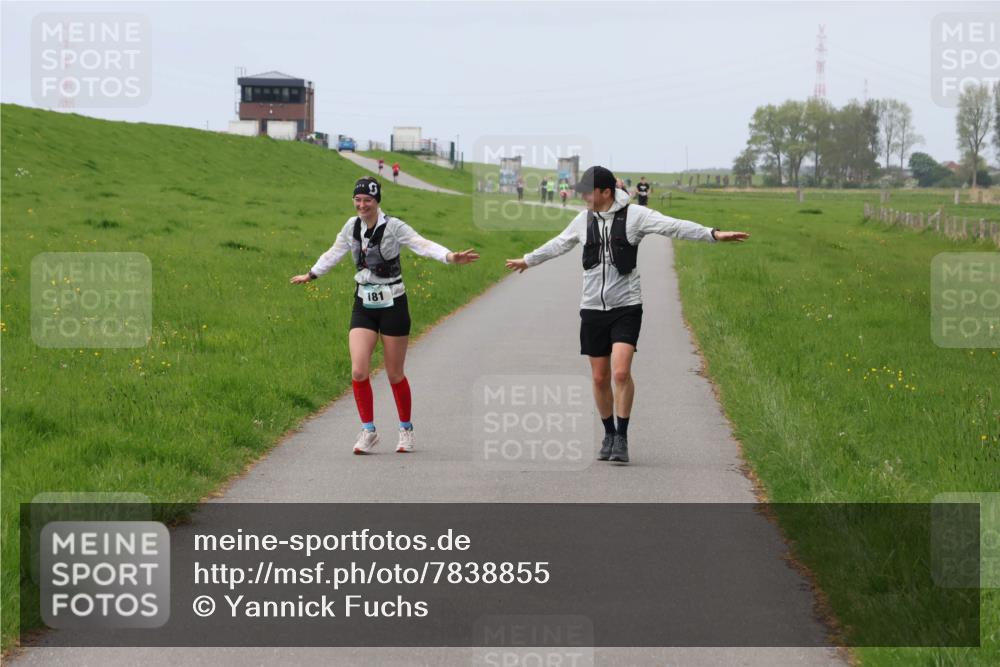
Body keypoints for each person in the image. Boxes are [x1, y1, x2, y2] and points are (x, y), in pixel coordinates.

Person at [504, 166, 748, 465]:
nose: (582, 195)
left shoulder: (635, 217)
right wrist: (528, 261)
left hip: (626, 307)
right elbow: (559, 243)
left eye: (587, 190)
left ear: (605, 192)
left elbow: (673, 226)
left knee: (620, 372)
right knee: (599, 377)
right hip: (592, 308)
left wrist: (713, 234)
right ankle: (607, 433)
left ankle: (621, 436)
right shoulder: (583, 220)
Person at [290, 177, 480, 454]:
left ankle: (406, 430)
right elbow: (335, 251)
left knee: (394, 374)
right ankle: (368, 431)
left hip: (393, 304)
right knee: (358, 369)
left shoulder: (394, 227)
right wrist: (313, 273)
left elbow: (421, 244)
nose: (362, 205)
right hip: (363, 304)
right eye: (358, 200)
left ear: (377, 202)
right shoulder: (351, 227)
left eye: (368, 200)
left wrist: (450, 257)